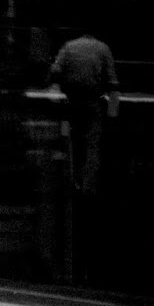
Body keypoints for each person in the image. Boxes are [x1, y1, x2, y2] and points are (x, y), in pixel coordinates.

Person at [50, 31, 119, 196]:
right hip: (92, 103)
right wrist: (113, 113)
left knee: (71, 141)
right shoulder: (103, 48)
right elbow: (112, 82)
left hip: (71, 103)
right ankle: (88, 186)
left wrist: (54, 88)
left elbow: (55, 71)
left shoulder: (68, 46)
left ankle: (71, 181)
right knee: (92, 144)